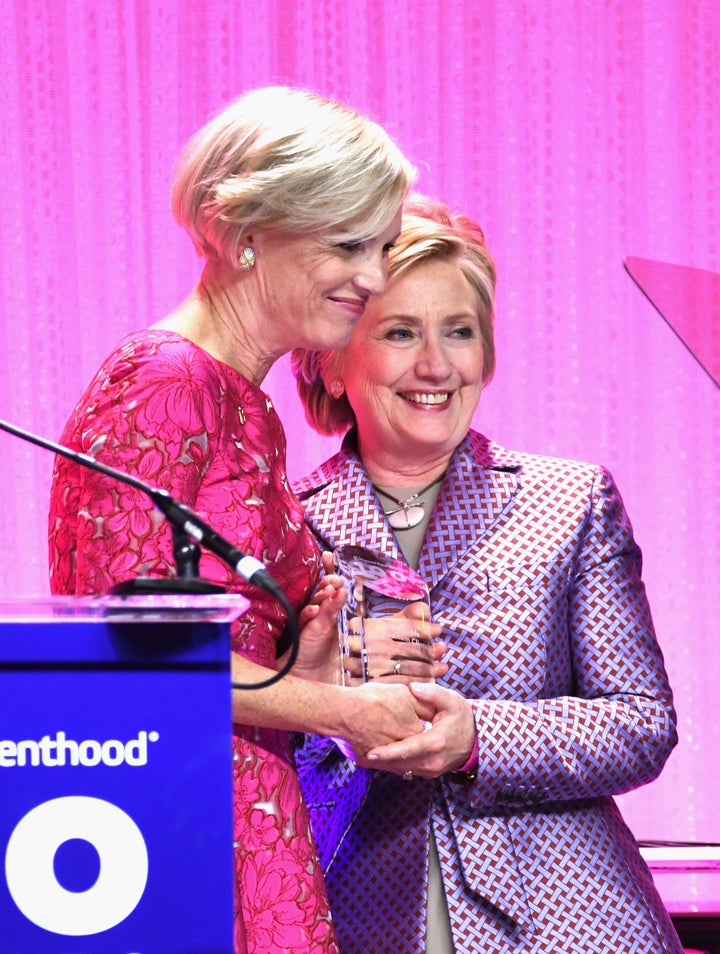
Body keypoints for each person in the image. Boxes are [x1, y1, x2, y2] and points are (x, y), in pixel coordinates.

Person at [47, 86, 432, 954]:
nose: (373, 278)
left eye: (381, 246)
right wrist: (343, 713)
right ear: (242, 230)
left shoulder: (244, 402)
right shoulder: (165, 382)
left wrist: (314, 660)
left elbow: (215, 637)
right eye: (347, 245)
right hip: (180, 822)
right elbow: (123, 649)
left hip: (251, 807)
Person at [290, 195, 684, 954]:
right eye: (401, 332)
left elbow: (642, 723)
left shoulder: (571, 500)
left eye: (460, 332)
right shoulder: (286, 530)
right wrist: (324, 713)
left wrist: (479, 735)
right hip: (363, 918)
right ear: (333, 361)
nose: (436, 365)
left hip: (575, 922)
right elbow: (255, 772)